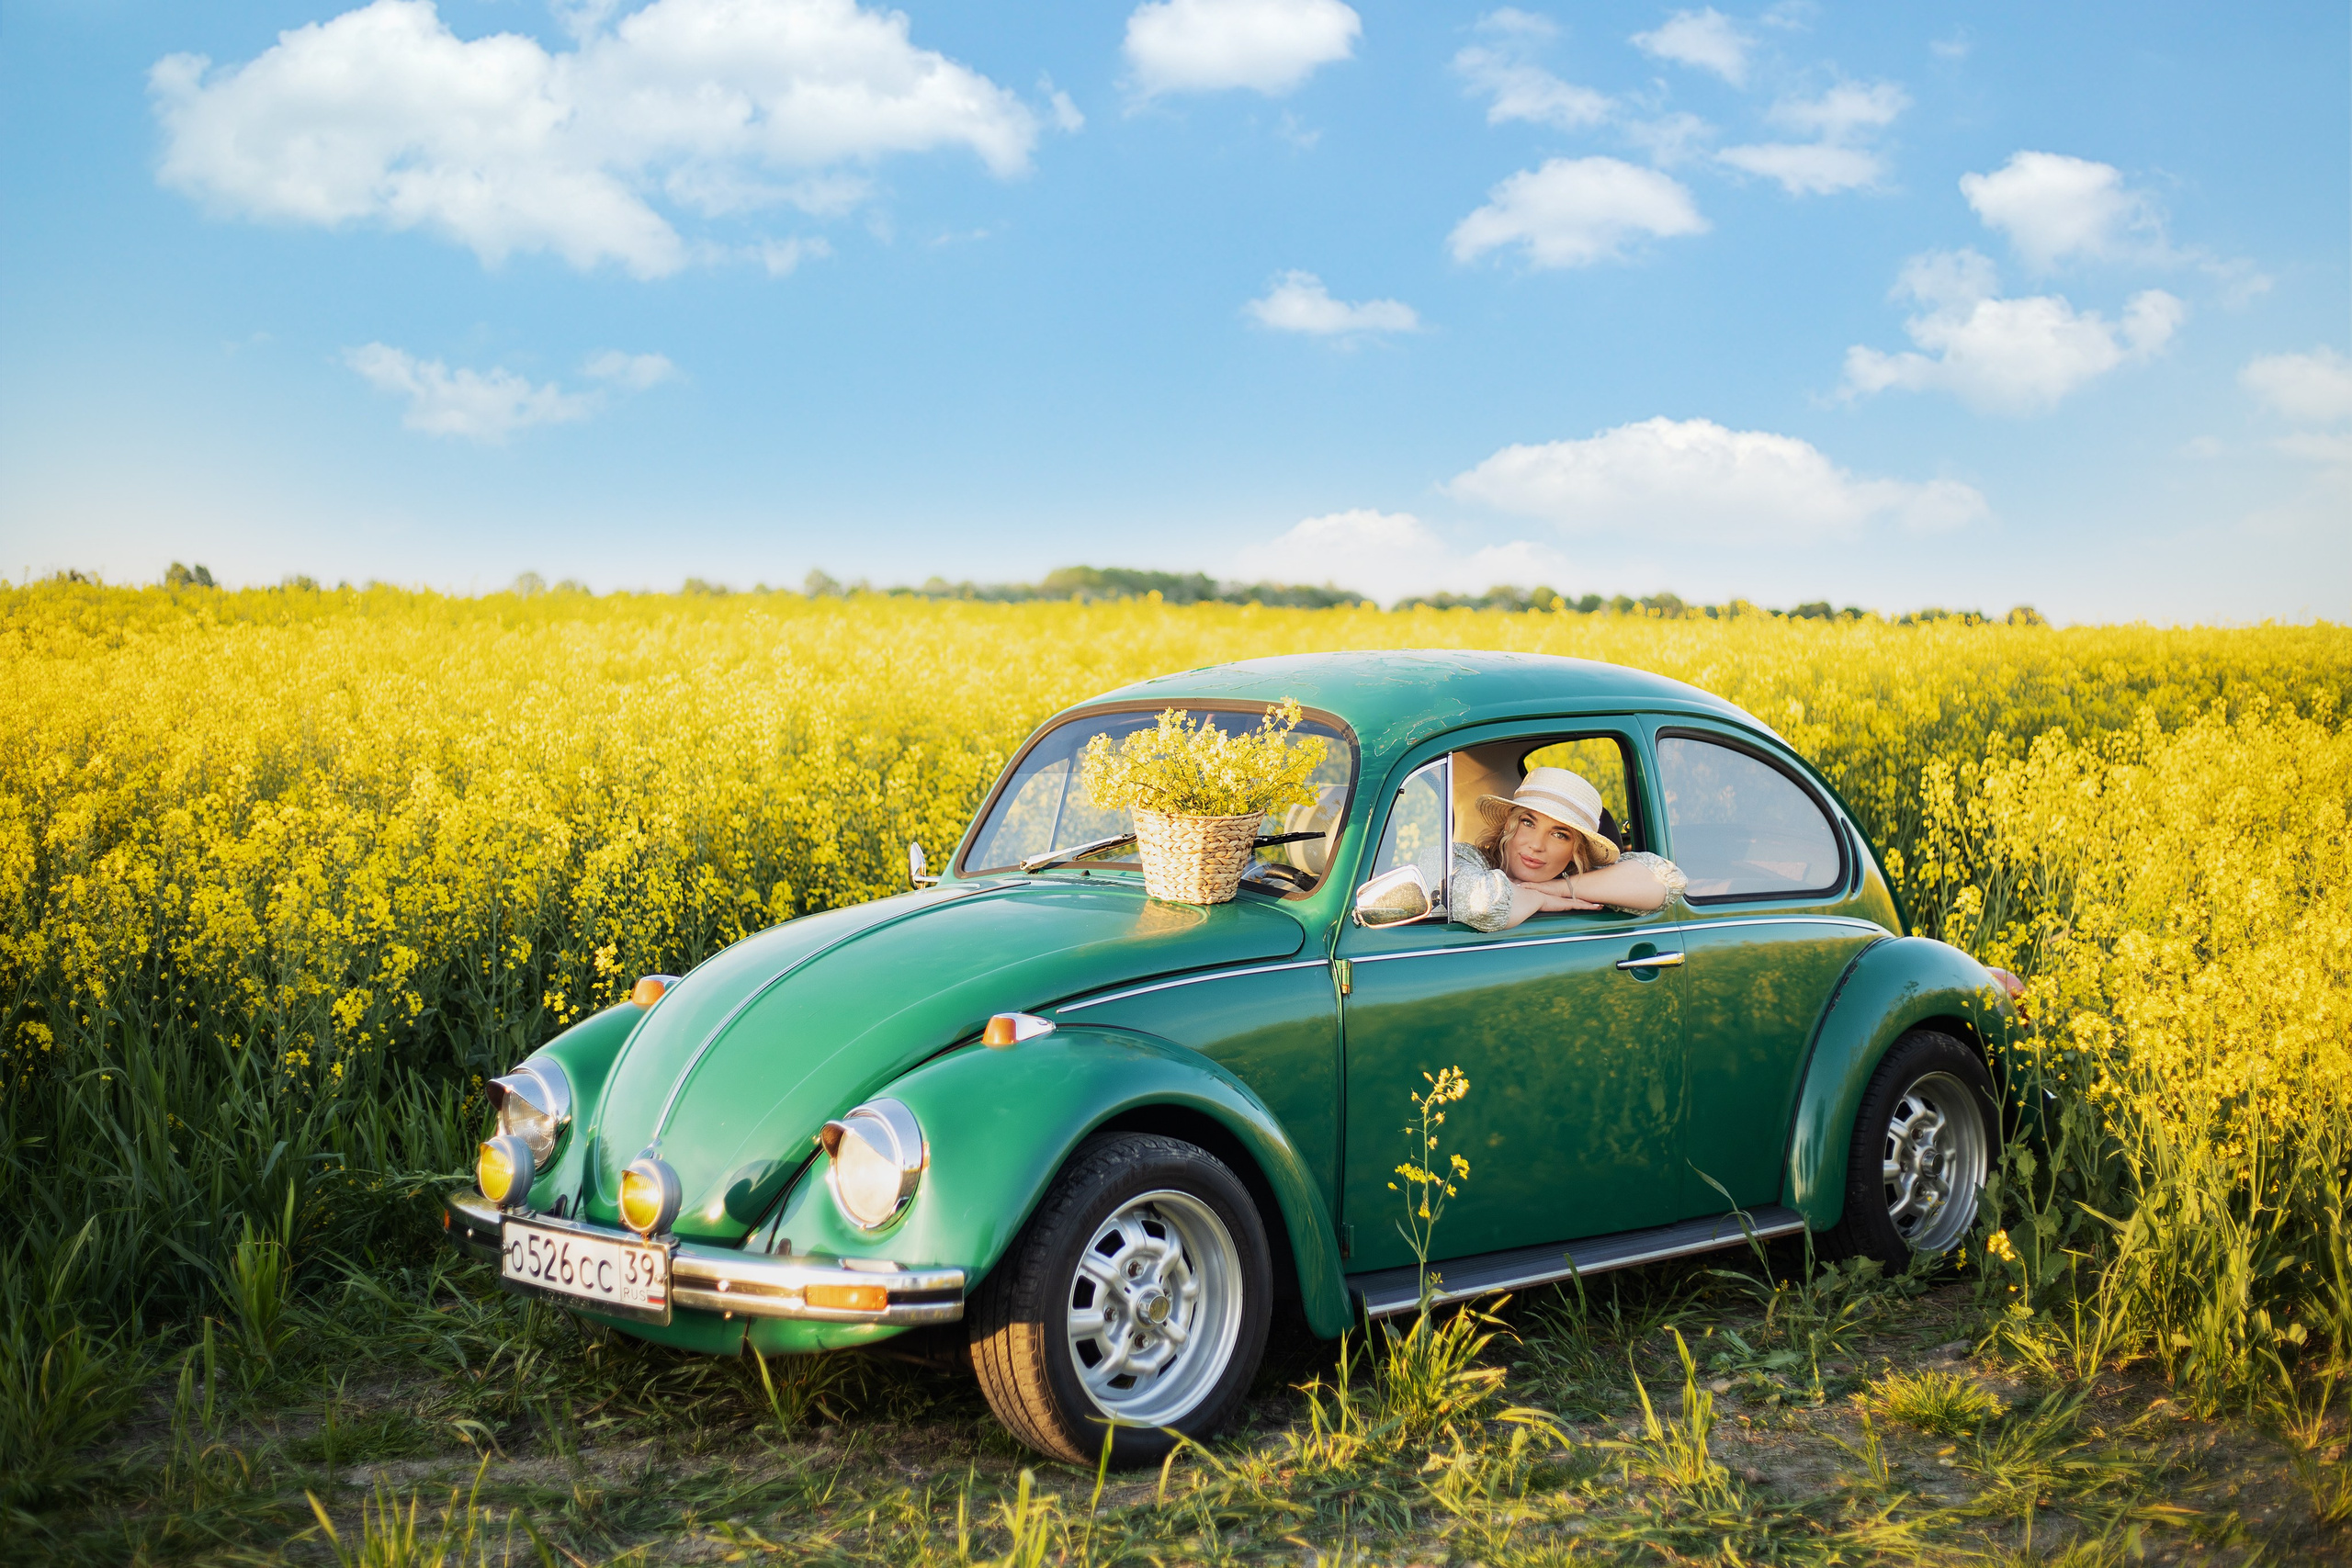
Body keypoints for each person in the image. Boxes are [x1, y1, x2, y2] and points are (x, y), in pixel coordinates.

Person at [1448, 766, 1686, 931]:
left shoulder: (1583, 880)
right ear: (1510, 823)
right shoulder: (1465, 859)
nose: (1537, 845)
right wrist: (1543, 900)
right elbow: (1483, 906)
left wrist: (1558, 888)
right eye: (1528, 822)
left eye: (1559, 834)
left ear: (1576, 850)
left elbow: (1668, 881)